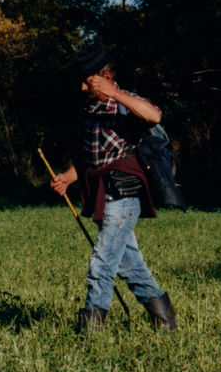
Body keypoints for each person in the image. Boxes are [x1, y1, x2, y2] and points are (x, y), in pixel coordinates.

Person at [49, 42, 176, 334]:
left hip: (124, 194)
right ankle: (166, 323)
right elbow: (90, 158)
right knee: (130, 267)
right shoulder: (88, 109)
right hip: (100, 196)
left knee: (101, 262)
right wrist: (68, 177)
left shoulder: (123, 102)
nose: (82, 88)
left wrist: (115, 92)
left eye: (87, 81)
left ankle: (90, 333)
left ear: (104, 76)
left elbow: (155, 115)